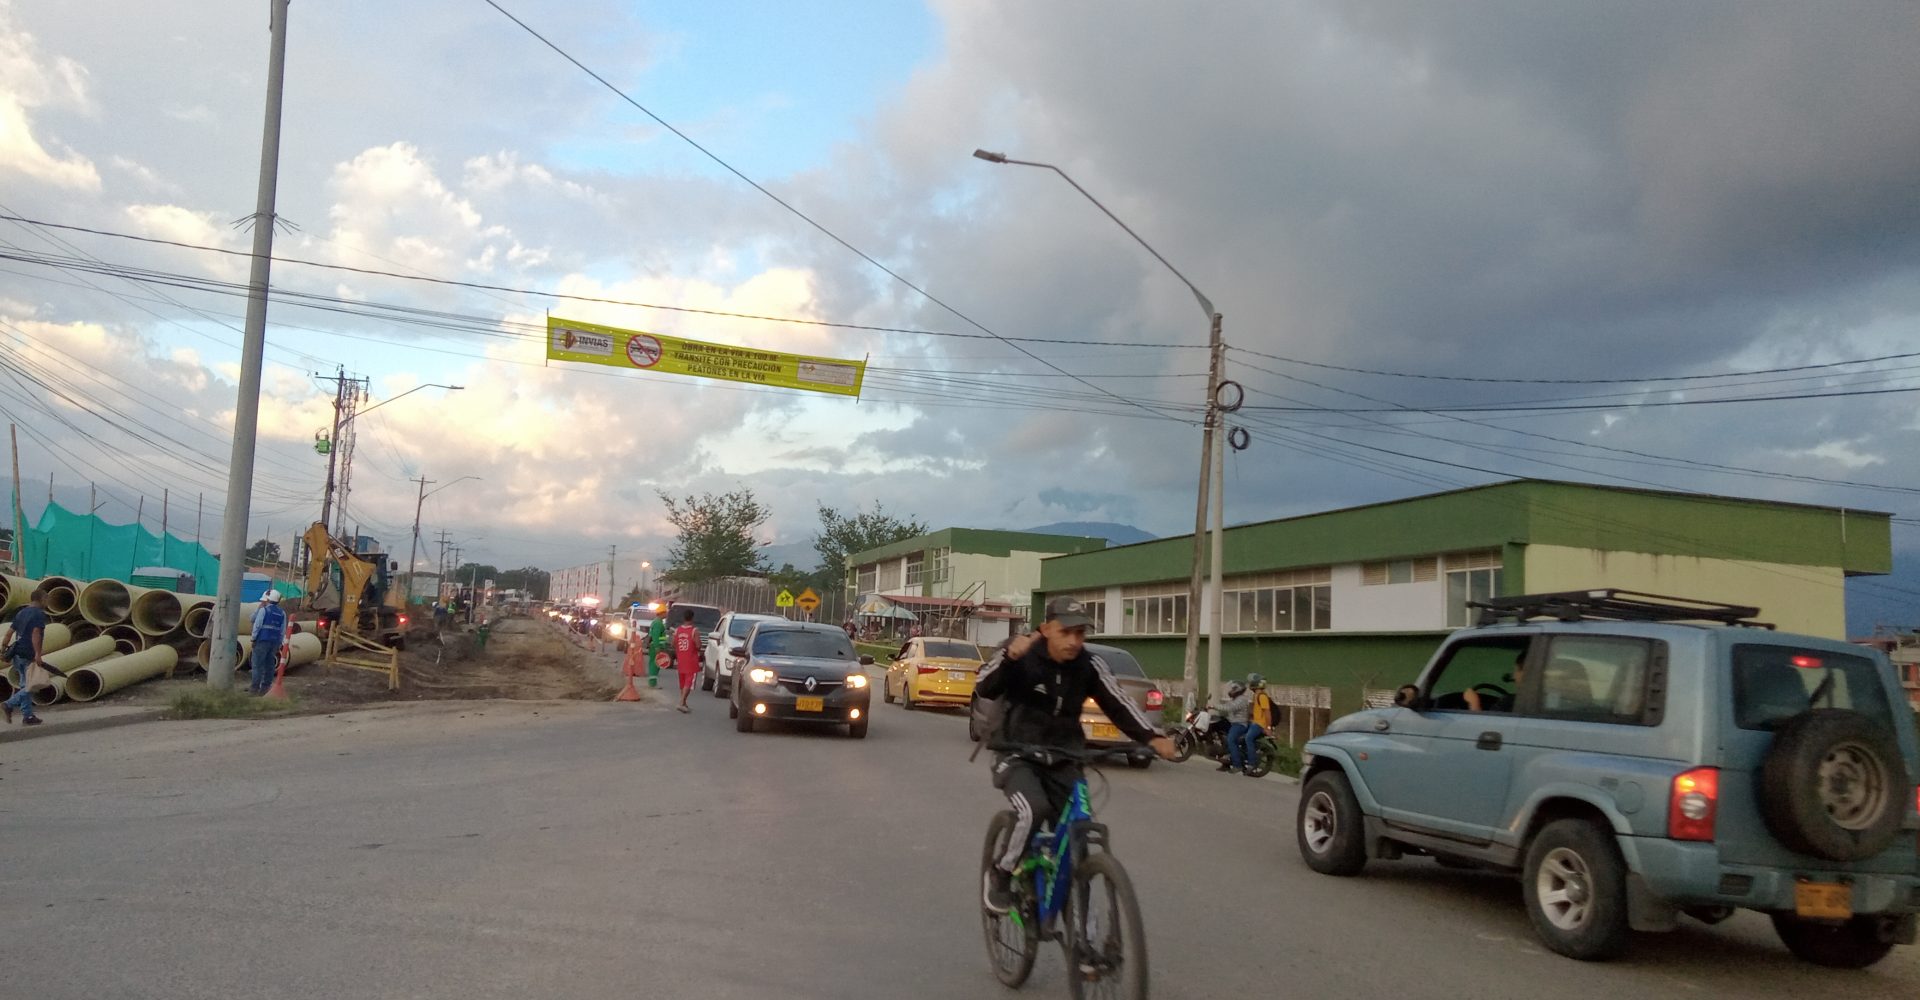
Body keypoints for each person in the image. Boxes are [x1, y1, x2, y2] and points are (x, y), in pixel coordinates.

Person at [975, 597, 1176, 914]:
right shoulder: (1023, 656)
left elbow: (1118, 703)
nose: (1073, 641)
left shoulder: (1089, 665)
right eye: (1065, 632)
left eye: (1080, 633)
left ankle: (1081, 927)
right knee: (1033, 810)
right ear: (1046, 629)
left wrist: (1152, 737)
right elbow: (984, 686)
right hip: (1016, 753)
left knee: (1077, 834)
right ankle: (1002, 873)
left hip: (1065, 756)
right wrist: (1010, 658)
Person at [3, 587, 50, 725]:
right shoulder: (38, 614)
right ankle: (8, 704)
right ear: (42, 599)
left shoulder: (21, 613)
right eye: (47, 599)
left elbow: (9, 633)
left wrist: (3, 649)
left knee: (25, 684)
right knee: (33, 684)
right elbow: (36, 633)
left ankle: (28, 716)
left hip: (17, 653)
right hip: (28, 653)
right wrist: (37, 654)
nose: (47, 602)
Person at [1232, 673, 1275, 777]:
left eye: (1251, 682)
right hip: (1255, 722)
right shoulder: (1256, 695)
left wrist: (1268, 727)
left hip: (1259, 724)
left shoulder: (1262, 696)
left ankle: (1251, 763)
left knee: (1248, 738)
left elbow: (1267, 712)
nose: (1250, 684)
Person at [248, 590, 288, 696]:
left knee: (257, 665)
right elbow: (282, 630)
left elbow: (257, 625)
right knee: (269, 665)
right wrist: (279, 643)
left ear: (268, 599)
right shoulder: (282, 613)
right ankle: (265, 688)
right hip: (274, 642)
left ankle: (254, 689)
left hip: (262, 640)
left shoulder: (264, 610)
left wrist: (253, 639)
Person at [1213, 680, 1250, 772]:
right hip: (1232, 723)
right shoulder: (1235, 699)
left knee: (1231, 740)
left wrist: (1214, 706)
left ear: (1238, 689)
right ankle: (1226, 763)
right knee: (1223, 738)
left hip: (1239, 724)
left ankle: (1237, 765)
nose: (1231, 691)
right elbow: (1226, 706)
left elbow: (1230, 708)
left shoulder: (1241, 700)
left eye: (1233, 689)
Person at [671, 608, 701, 713]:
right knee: (689, 682)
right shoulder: (694, 631)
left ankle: (683, 703)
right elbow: (698, 645)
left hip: (681, 659)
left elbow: (673, 643)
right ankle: (681, 702)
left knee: (683, 682)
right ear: (692, 618)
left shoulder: (677, 630)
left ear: (683, 618)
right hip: (691, 660)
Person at [646, 603, 673, 689]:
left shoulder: (658, 622)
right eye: (665, 612)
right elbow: (655, 636)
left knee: (656, 664)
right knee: (655, 665)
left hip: (656, 646)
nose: (667, 614)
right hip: (656, 647)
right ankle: (652, 684)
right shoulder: (658, 623)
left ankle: (653, 683)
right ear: (662, 613)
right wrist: (657, 647)